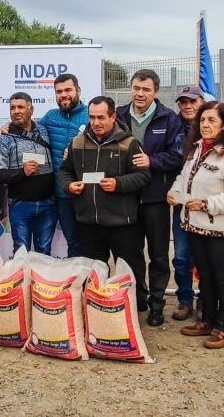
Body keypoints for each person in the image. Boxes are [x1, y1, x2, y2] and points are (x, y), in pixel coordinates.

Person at [168, 102, 224, 349]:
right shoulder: (195, 150)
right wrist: (174, 191)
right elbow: (184, 177)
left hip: (223, 229)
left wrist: (206, 204)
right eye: (203, 120)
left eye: (212, 120)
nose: (205, 125)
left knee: (222, 278)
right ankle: (207, 320)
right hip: (196, 226)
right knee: (204, 276)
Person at [59, 96, 151, 309]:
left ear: (113, 117)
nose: (96, 122)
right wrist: (69, 185)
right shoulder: (77, 142)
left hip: (122, 222)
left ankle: (136, 307)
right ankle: (97, 307)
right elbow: (65, 171)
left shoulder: (129, 143)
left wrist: (118, 184)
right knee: (94, 271)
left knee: (130, 268)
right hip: (89, 222)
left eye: (101, 117)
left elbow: (143, 175)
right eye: (92, 117)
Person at [115, 70, 183, 326]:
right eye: (136, 88)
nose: (139, 93)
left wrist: (151, 161)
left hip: (155, 199)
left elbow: (177, 155)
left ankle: (157, 304)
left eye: (145, 89)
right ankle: (138, 298)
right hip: (126, 199)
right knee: (131, 254)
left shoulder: (169, 118)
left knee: (158, 255)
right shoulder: (119, 115)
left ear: (155, 91)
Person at [0, 92, 55, 254]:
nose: (16, 111)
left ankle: (40, 280)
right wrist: (22, 172)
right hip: (20, 206)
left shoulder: (44, 130)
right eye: (12, 107)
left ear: (31, 109)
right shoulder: (3, 138)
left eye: (21, 107)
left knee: (45, 251)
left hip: (48, 204)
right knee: (21, 252)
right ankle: (22, 280)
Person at [38, 73, 89, 257]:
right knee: (73, 241)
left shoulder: (91, 116)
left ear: (78, 91)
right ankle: (76, 282)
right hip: (61, 194)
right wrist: (7, 128)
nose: (63, 94)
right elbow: (29, 130)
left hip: (87, 193)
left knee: (90, 242)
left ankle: (91, 281)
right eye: (59, 91)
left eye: (68, 90)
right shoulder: (50, 116)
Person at [171, 85, 205, 321]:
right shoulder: (174, 130)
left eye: (192, 101)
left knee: (205, 257)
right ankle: (185, 299)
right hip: (181, 205)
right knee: (182, 256)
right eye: (183, 102)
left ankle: (205, 299)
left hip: (207, 205)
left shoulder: (214, 130)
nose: (187, 106)